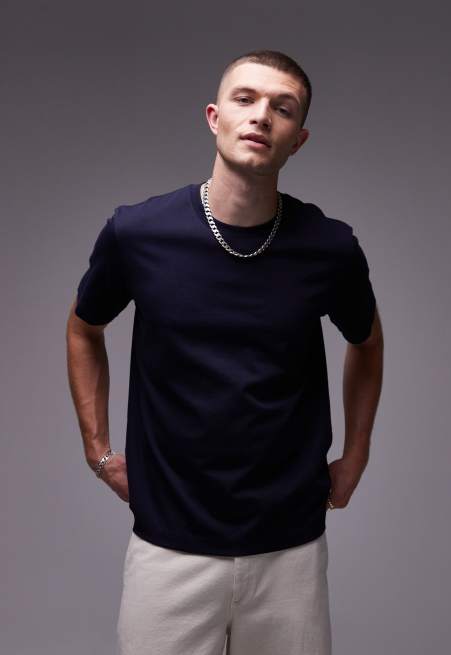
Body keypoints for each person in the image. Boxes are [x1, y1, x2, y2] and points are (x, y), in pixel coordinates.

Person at [66, 48, 384, 655]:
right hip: (168, 545)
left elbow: (366, 343)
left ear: (298, 140)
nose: (261, 115)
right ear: (215, 117)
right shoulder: (139, 233)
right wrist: (98, 451)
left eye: (282, 108)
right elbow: (84, 328)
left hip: (290, 546)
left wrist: (358, 453)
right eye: (246, 99)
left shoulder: (329, 247)